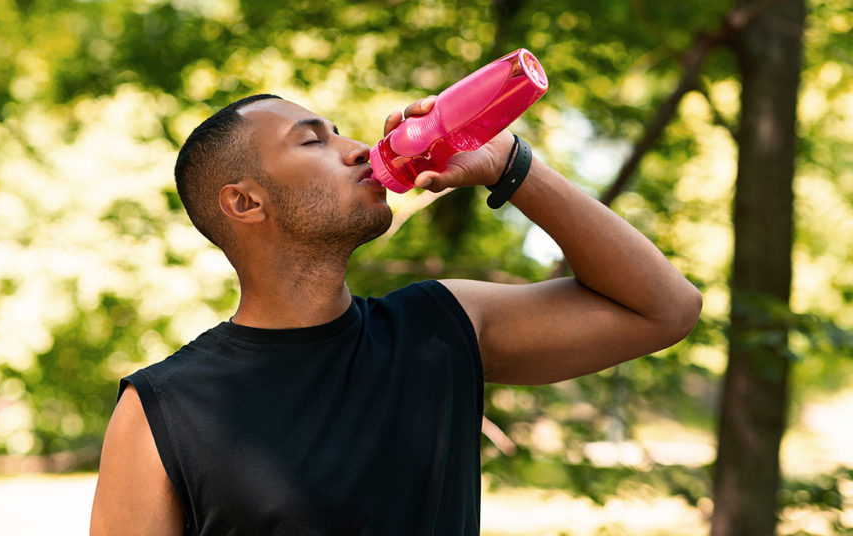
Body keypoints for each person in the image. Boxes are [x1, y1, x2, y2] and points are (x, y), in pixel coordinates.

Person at [89, 93, 702, 535]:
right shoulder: (163, 408)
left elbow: (667, 309)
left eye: (340, 132)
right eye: (313, 140)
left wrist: (512, 166)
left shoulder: (440, 328)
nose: (359, 149)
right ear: (246, 202)